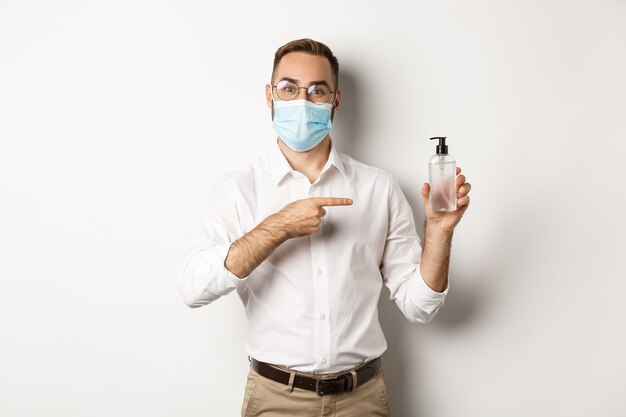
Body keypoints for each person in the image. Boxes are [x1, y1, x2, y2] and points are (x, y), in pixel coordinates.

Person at [177, 38, 472, 417]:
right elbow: (191, 287)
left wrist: (440, 232)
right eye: (289, 88)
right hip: (276, 399)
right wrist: (278, 227)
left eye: (317, 91)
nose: (302, 101)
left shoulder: (378, 187)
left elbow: (419, 307)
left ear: (336, 101)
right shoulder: (238, 189)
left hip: (361, 399)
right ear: (270, 96)